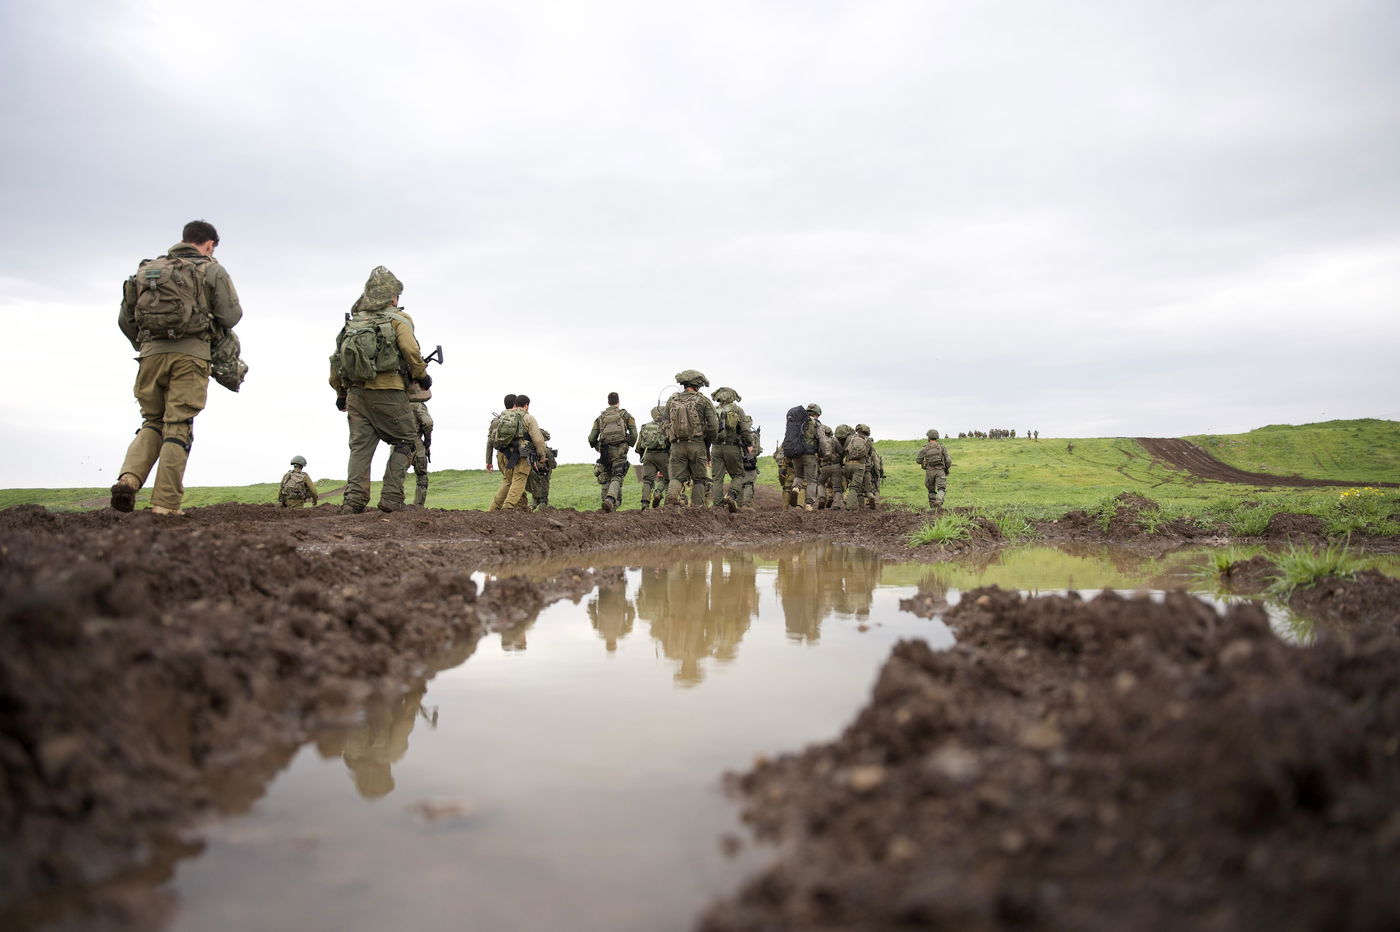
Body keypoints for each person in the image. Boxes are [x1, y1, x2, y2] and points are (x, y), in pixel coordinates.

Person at [110, 219, 244, 516]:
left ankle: (129, 479)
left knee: (152, 421)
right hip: (190, 357)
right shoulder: (212, 269)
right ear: (209, 245)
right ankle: (166, 504)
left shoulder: (150, 270)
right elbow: (231, 315)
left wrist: (147, 345)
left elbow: (125, 319)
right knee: (178, 425)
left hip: (150, 356)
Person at [329, 266, 428, 514]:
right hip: (388, 391)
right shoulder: (398, 320)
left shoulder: (354, 322)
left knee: (360, 448)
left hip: (355, 394)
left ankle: (353, 501)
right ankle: (392, 498)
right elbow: (411, 351)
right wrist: (422, 376)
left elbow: (336, 361)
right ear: (393, 296)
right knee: (407, 440)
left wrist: (341, 394)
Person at [663, 370, 718, 507]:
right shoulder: (703, 401)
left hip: (676, 445)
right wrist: (708, 443)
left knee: (677, 478)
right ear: (698, 385)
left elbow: (664, 422)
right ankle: (696, 509)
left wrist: (671, 439)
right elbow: (713, 426)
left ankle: (671, 495)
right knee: (699, 479)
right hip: (697, 444)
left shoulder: (672, 400)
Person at [488, 393, 548, 510]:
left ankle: (493, 509)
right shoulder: (528, 418)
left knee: (507, 481)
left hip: (505, 454)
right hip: (522, 454)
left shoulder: (504, 417)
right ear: (526, 405)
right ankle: (508, 508)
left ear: (515, 404)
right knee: (519, 479)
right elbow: (539, 440)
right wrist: (542, 456)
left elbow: (491, 439)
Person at [588, 392, 637, 513]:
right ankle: (610, 499)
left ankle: (607, 507)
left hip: (605, 451)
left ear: (608, 402)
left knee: (606, 476)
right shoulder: (625, 415)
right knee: (617, 476)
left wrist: (598, 447)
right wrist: (628, 444)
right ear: (618, 402)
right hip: (620, 451)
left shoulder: (601, 418)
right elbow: (634, 434)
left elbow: (591, 438)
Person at [708, 386, 754, 513]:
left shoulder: (713, 410)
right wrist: (749, 444)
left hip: (716, 448)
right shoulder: (738, 410)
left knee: (717, 478)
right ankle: (731, 495)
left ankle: (717, 506)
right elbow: (745, 430)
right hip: (732, 447)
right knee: (738, 475)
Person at [635, 405, 670, 509]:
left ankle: (645, 503)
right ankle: (667, 504)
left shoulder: (645, 426)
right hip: (663, 455)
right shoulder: (667, 427)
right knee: (670, 478)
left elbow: (639, 446)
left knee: (647, 481)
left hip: (648, 455)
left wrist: (642, 457)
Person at [916, 429, 952, 509]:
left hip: (929, 472)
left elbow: (918, 461)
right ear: (937, 437)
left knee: (931, 490)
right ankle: (939, 501)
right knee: (941, 488)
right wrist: (946, 469)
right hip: (940, 471)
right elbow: (948, 460)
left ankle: (933, 508)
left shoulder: (924, 449)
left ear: (928, 437)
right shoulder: (942, 448)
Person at [842, 424, 873, 510]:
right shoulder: (868, 441)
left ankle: (860, 505)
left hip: (848, 465)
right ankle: (849, 506)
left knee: (853, 484)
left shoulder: (850, 439)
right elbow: (870, 454)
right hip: (859, 466)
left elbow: (845, 450)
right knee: (855, 487)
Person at [410, 399, 434, 508]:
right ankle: (418, 506)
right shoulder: (417, 404)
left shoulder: (395, 402)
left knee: (395, 474)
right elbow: (428, 423)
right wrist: (427, 442)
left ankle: (394, 502)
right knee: (422, 475)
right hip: (415, 441)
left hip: (397, 441)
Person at [526, 429, 557, 509]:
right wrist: (549, 458)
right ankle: (542, 512)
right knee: (543, 499)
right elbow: (553, 465)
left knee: (535, 498)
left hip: (532, 476)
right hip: (543, 475)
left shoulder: (529, 449)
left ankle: (531, 508)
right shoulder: (545, 450)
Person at [817, 424, 844, 509]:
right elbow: (841, 451)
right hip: (835, 465)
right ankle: (836, 505)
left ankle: (822, 497)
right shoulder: (834, 440)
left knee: (820, 483)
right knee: (837, 486)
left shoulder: (819, 441)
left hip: (824, 466)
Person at [739, 419, 762, 509]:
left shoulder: (737, 434)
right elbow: (758, 450)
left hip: (738, 463)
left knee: (739, 481)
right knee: (748, 483)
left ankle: (737, 503)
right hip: (749, 464)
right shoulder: (753, 435)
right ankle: (745, 505)